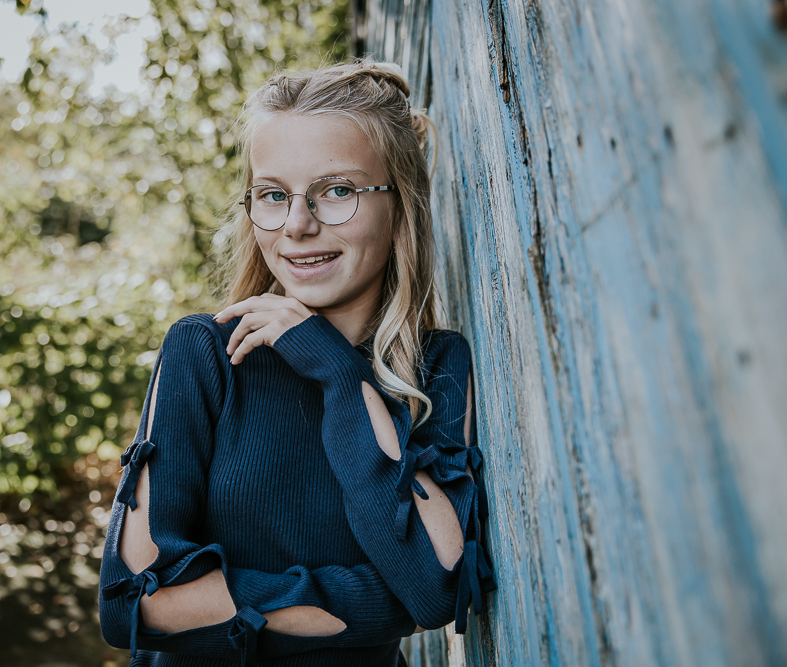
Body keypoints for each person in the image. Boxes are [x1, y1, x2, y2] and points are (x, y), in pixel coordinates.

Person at [98, 59, 496, 667]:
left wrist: (338, 372)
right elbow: (135, 602)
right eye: (273, 195)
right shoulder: (205, 352)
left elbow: (435, 587)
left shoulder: (437, 365)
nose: (298, 225)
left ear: (401, 203)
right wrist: (374, 605)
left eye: (338, 191)